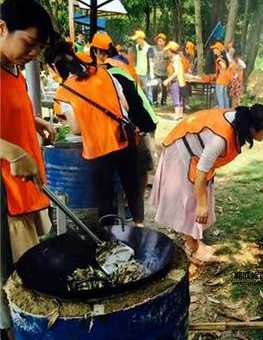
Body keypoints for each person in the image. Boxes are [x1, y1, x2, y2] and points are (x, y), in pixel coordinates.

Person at [150, 104, 263, 264]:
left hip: (196, 151)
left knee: (197, 198)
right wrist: (202, 206)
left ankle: (196, 241)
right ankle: (192, 249)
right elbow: (201, 174)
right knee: (190, 201)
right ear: (251, 128)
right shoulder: (220, 139)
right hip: (181, 150)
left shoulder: (239, 121)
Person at [0, 0, 57, 337]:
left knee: (30, 268)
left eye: (38, 47)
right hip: (5, 195)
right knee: (10, 279)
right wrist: (10, 152)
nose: (33, 53)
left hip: (25, 186)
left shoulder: (11, 66)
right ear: (2, 28)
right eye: (29, 43)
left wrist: (33, 122)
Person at [46, 40, 143, 227]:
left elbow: (77, 129)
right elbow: (125, 105)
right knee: (132, 187)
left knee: (105, 195)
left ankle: (109, 235)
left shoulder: (64, 89)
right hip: (125, 139)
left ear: (53, 67)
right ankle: (139, 226)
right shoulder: (104, 73)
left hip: (99, 148)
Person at [89, 31, 158, 228]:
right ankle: (136, 217)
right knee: (134, 177)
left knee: (137, 175)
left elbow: (130, 106)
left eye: (104, 52)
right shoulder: (113, 69)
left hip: (138, 126)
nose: (101, 56)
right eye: (99, 53)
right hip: (135, 126)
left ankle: (136, 219)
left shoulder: (113, 74)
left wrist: (141, 128)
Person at [164, 41, 187, 119]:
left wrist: (167, 80)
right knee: (180, 98)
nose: (167, 52)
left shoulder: (176, 59)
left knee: (176, 97)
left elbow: (176, 72)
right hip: (180, 81)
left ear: (171, 51)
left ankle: (177, 115)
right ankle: (180, 114)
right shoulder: (177, 58)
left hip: (176, 81)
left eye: (168, 51)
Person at [130, 30, 154, 95]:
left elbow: (151, 62)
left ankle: (149, 104)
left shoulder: (149, 48)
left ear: (141, 38)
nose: (136, 41)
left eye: (137, 39)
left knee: (147, 91)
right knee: (138, 91)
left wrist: (152, 75)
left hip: (146, 73)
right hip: (138, 72)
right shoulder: (136, 47)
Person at [210, 41, 231, 108]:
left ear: (219, 50)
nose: (214, 50)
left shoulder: (220, 59)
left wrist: (222, 71)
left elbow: (224, 67)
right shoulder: (224, 58)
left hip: (221, 80)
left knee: (220, 97)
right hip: (225, 79)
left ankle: (221, 111)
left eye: (215, 49)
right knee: (225, 96)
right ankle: (226, 110)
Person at [152, 33, 168, 106]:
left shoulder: (167, 50)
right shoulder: (153, 49)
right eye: (159, 41)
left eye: (162, 41)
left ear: (164, 42)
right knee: (155, 86)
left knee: (164, 87)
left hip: (165, 72)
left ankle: (164, 101)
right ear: (157, 42)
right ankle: (155, 101)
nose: (160, 43)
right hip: (155, 71)